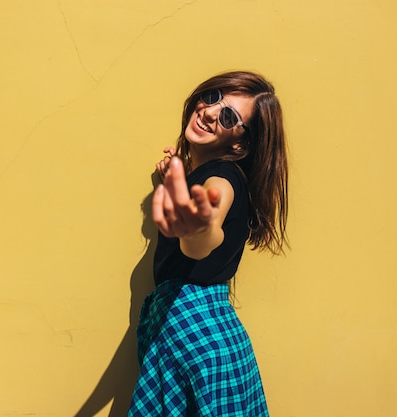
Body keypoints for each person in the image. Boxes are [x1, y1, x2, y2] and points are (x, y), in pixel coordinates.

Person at [126, 71, 288, 417]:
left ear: (240, 145)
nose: (211, 112)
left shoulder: (223, 178)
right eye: (214, 97)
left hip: (196, 340)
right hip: (202, 339)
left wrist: (197, 227)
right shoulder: (203, 175)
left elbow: (204, 236)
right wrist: (175, 182)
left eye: (230, 116)